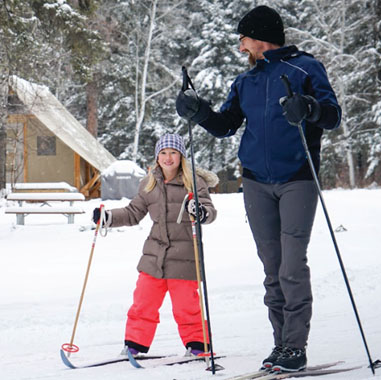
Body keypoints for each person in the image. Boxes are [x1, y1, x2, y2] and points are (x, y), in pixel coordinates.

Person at [173, 5, 342, 373]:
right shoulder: (245, 83)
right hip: (255, 183)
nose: (240, 48)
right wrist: (197, 110)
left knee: (292, 266)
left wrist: (308, 108)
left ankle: (295, 346)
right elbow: (224, 125)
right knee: (272, 267)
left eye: (243, 39)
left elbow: (332, 115)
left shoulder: (306, 68)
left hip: (298, 177)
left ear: (260, 37)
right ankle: (281, 344)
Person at [91, 133, 218, 358]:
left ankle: (198, 344)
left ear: (181, 156)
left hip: (185, 255)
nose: (168, 158)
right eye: (163, 153)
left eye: (173, 153)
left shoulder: (194, 182)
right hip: (154, 255)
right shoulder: (148, 184)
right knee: (143, 301)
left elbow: (209, 212)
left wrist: (200, 211)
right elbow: (133, 213)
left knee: (186, 306)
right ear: (157, 156)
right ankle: (135, 345)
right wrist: (108, 217)